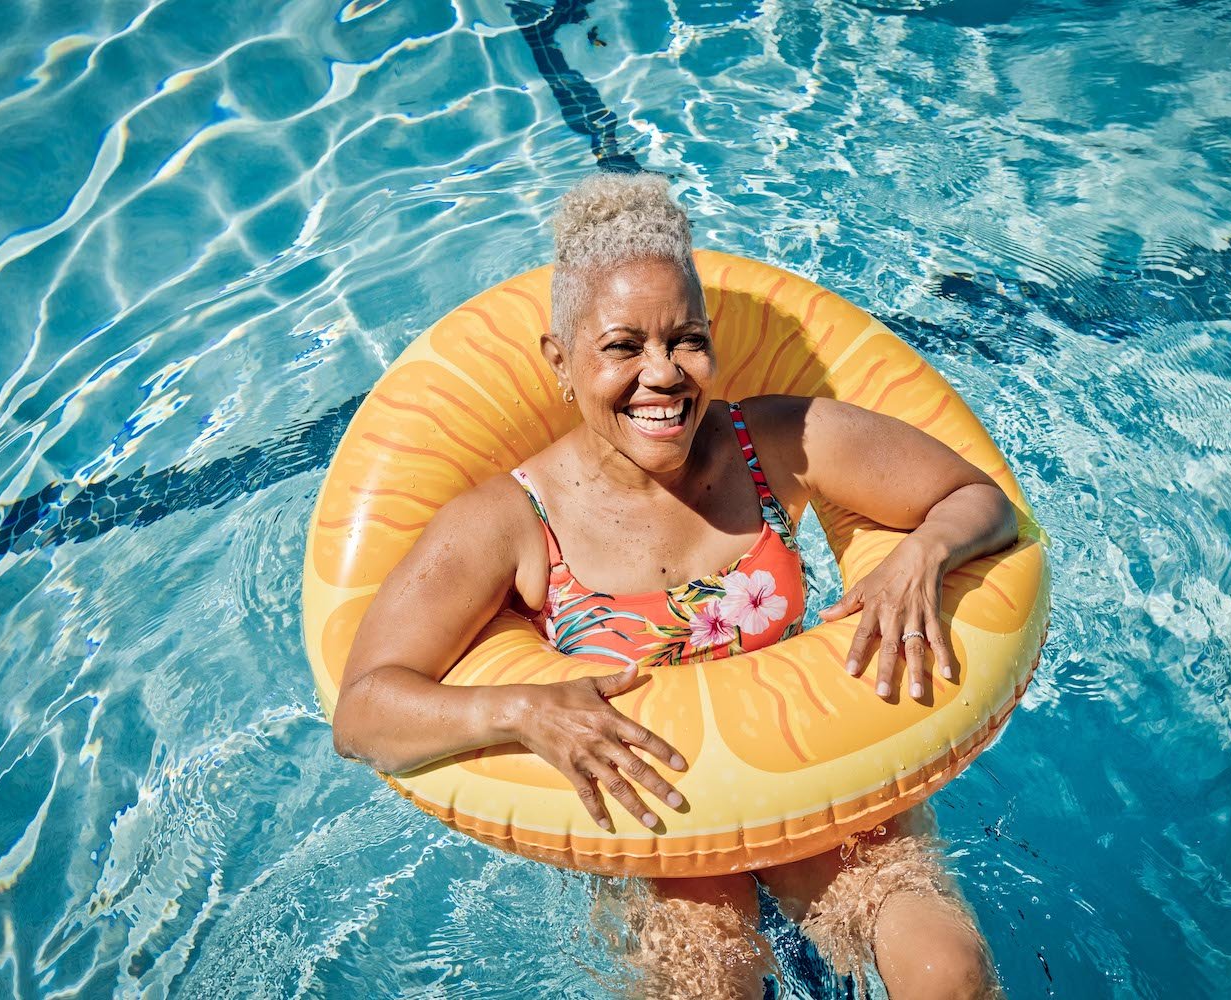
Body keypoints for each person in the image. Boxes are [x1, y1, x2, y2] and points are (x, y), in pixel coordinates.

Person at [331, 172, 1019, 999]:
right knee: (712, 989)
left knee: (948, 971)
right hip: (657, 818)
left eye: (685, 339)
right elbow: (364, 711)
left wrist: (924, 553)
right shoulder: (510, 522)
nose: (663, 375)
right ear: (560, 361)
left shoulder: (774, 442)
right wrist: (520, 707)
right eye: (623, 347)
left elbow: (980, 501)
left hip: (808, 760)